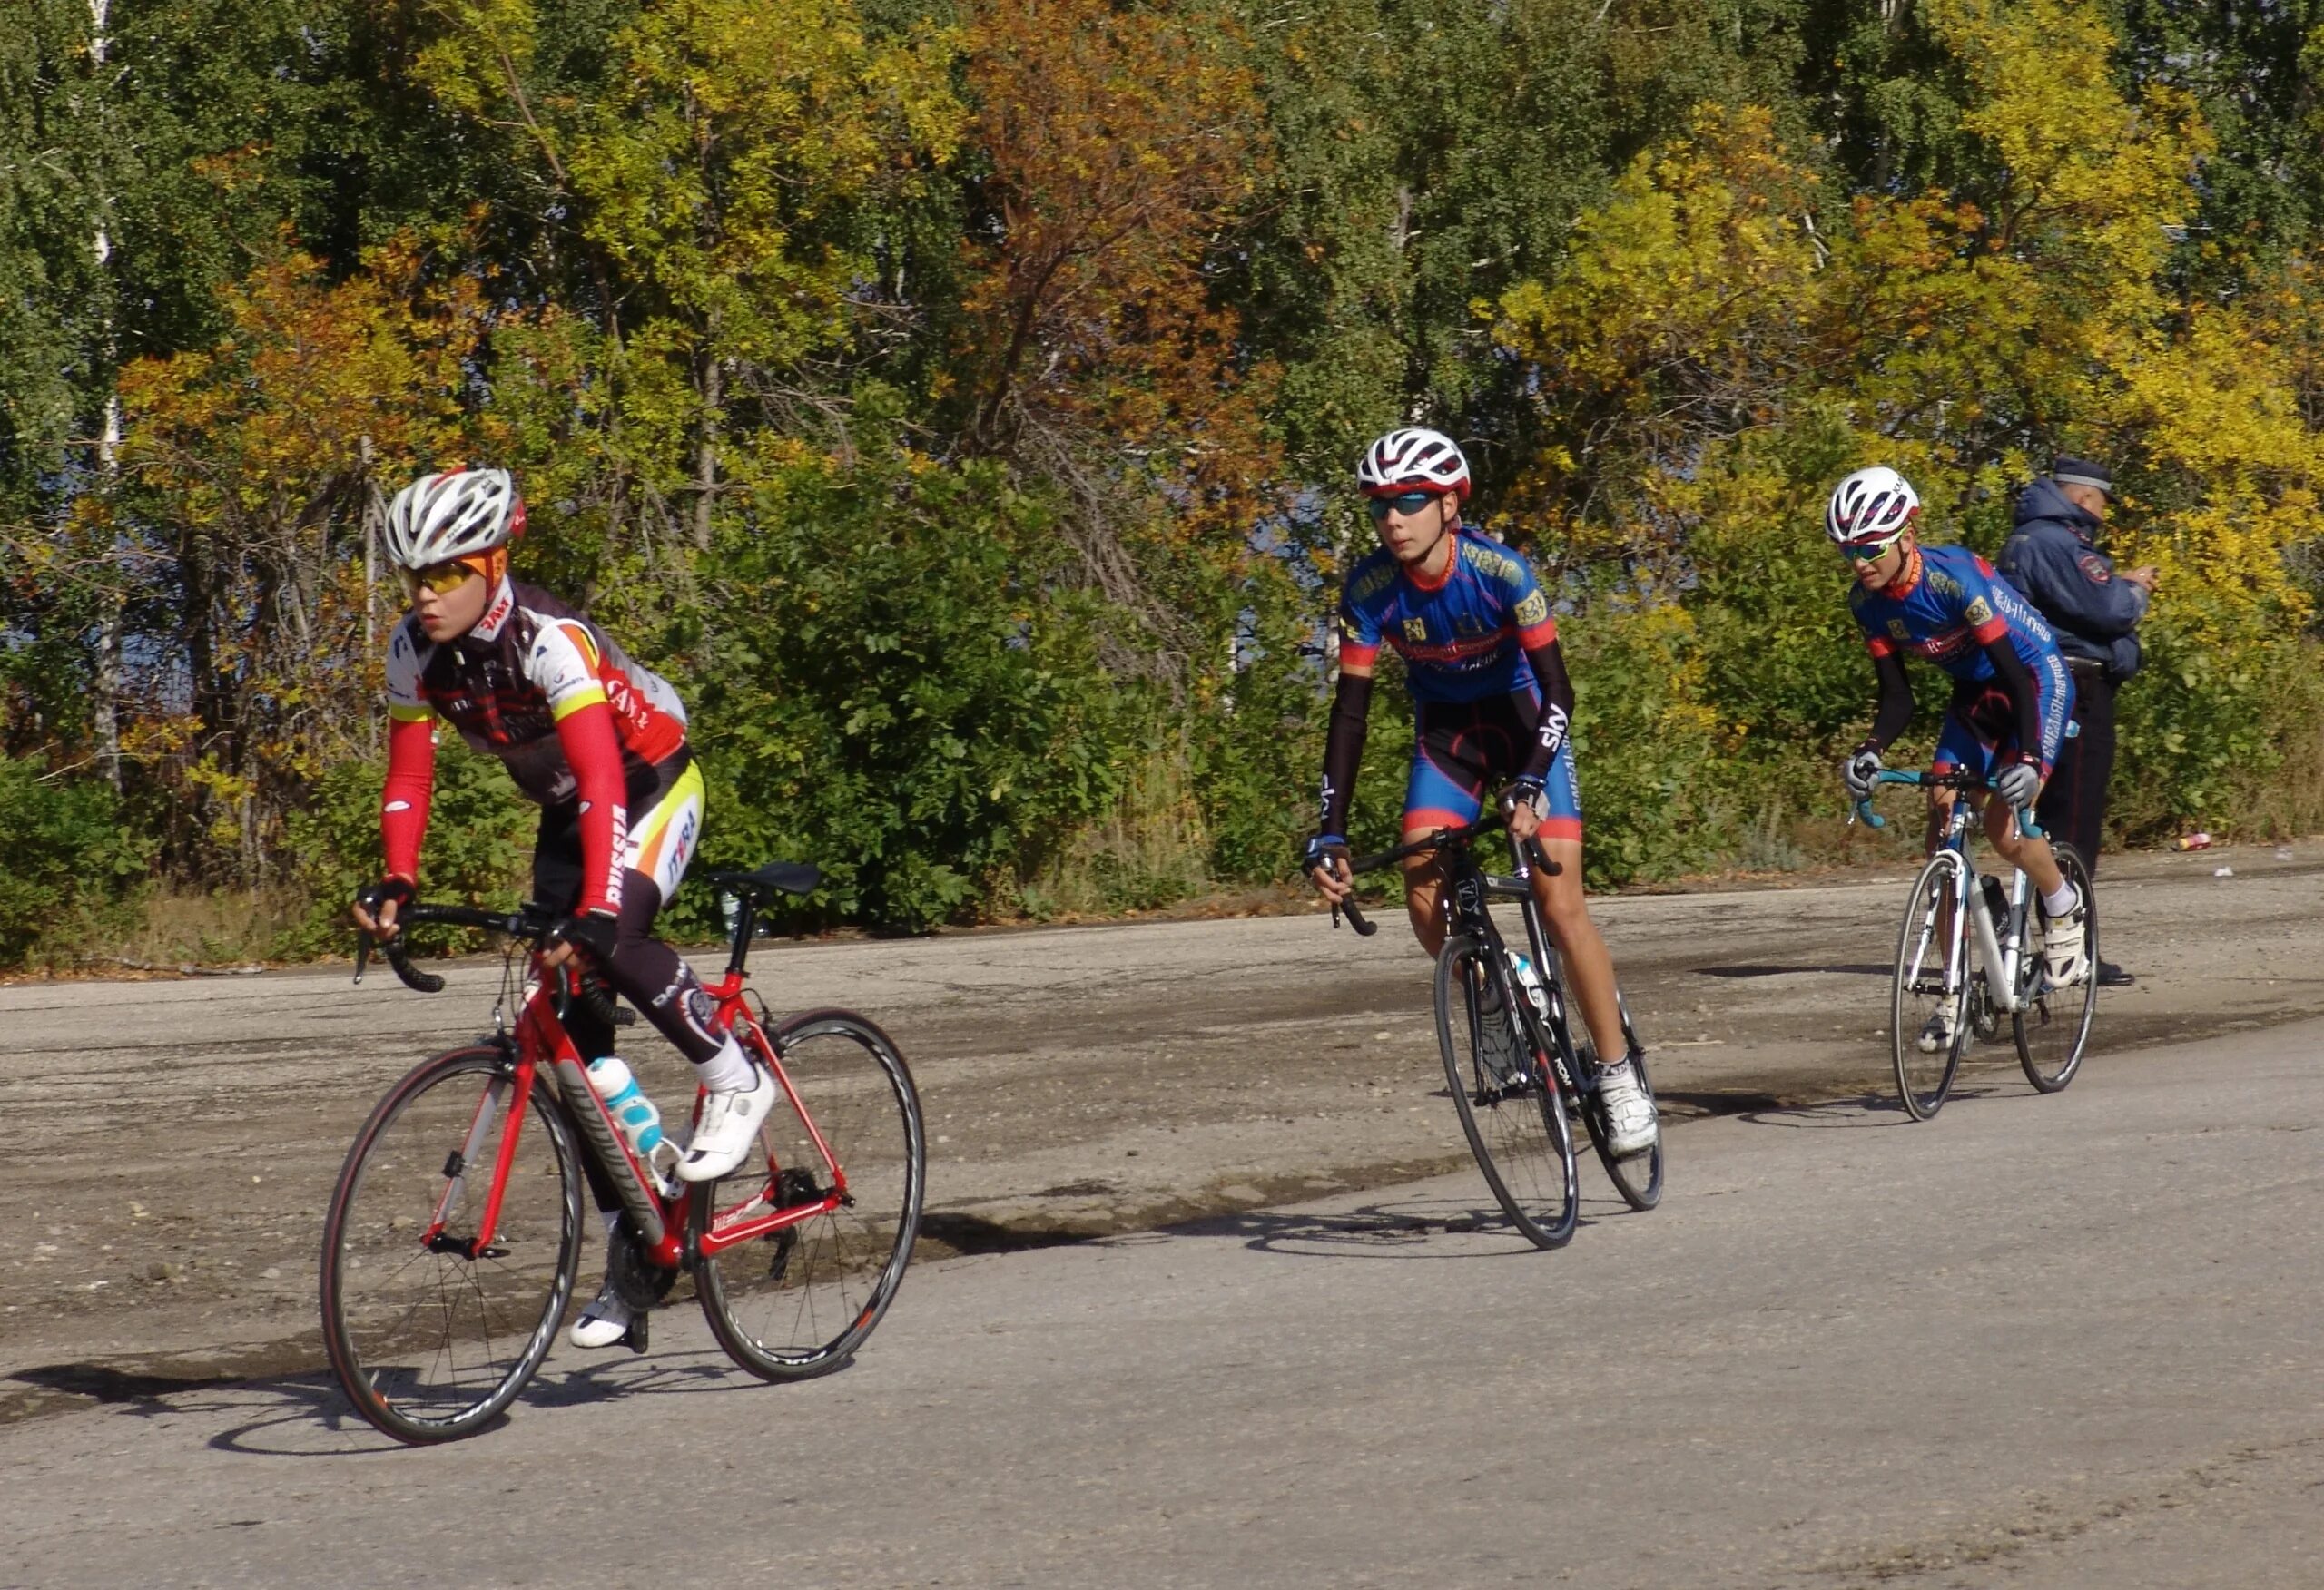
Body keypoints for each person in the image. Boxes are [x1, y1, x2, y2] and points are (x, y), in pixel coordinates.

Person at [349, 466, 774, 1350]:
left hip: (648, 783)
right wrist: (399, 878)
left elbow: (605, 777)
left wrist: (598, 910)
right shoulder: (411, 650)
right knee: (573, 1037)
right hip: (569, 807)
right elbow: (409, 774)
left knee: (612, 936)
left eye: (446, 573)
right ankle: (636, 1247)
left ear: (493, 564)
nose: (425, 594)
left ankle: (737, 1078)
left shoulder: (550, 640)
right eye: (414, 576)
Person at [1305, 427, 1657, 1158]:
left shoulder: (1501, 572)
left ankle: (1618, 1074)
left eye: (1410, 500)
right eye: (1379, 505)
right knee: (1422, 894)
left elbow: (1559, 689)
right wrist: (1329, 829)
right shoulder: (1369, 590)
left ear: (1449, 505)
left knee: (1561, 905)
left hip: (1526, 727)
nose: (1392, 518)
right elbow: (1351, 713)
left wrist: (1531, 780)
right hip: (1448, 739)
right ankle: (1500, 993)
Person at [1829, 466, 2090, 1051]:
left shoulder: (1954, 580)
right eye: (1848, 551)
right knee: (1942, 823)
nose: (1859, 563)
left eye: (1869, 548)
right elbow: (1898, 697)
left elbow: (2017, 677)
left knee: (2004, 829)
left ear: (1907, 535)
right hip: (1976, 692)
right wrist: (1870, 750)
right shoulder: (1867, 603)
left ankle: (2062, 905)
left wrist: (2028, 759)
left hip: (2034, 680)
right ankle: (1954, 995)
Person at [1997, 456, 2152, 988]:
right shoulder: (2056, 543)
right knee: (2073, 822)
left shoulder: (2030, 540)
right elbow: (2109, 609)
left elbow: (2079, 602)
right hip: (2076, 693)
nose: (2103, 515)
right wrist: (2135, 591)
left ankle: (2043, 937)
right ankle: (2072, 952)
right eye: (2103, 504)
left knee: (2041, 818)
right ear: (2085, 498)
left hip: (2038, 690)